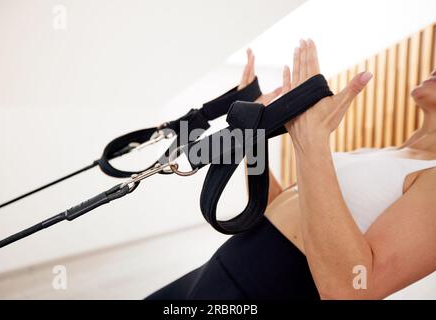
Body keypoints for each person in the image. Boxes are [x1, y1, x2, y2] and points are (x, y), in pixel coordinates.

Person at [147, 39, 436, 300]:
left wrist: (312, 139)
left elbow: (353, 291)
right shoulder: (386, 152)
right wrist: (252, 136)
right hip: (225, 264)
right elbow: (279, 208)